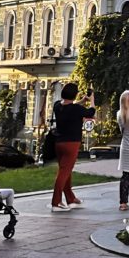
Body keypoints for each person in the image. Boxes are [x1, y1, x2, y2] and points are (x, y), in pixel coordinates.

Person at [50, 83, 95, 212]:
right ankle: (56, 202)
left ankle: (70, 198)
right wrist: (91, 100)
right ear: (74, 95)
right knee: (64, 172)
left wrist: (82, 101)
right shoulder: (76, 109)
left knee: (65, 170)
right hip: (71, 143)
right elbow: (90, 112)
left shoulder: (57, 105)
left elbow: (72, 107)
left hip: (59, 143)